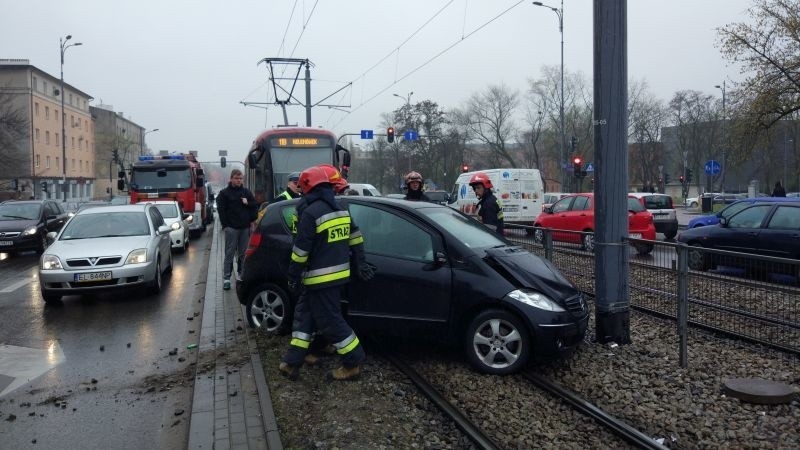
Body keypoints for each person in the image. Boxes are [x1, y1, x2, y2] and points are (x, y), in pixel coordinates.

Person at [279, 165, 373, 381]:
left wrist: (292, 277)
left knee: (330, 321)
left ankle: (353, 361)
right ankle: (293, 361)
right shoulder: (340, 208)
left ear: (307, 187)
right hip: (336, 275)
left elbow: (301, 252)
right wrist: (361, 262)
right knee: (304, 316)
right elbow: (356, 237)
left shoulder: (310, 213)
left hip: (318, 278)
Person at [216, 169, 258, 290]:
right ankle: (226, 278)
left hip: (245, 228)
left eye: (240, 179)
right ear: (231, 178)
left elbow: (254, 206)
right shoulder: (224, 193)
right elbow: (221, 209)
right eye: (236, 178)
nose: (239, 181)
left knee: (243, 254)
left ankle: (241, 274)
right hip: (232, 229)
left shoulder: (246, 192)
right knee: (229, 253)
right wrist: (226, 226)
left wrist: (248, 204)